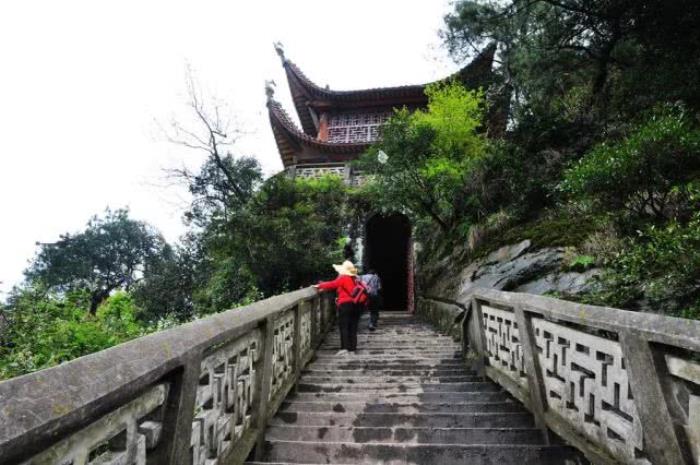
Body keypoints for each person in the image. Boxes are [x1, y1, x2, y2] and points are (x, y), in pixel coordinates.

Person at [314, 260, 363, 356]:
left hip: (346, 305)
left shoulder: (344, 277)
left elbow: (333, 284)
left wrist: (319, 285)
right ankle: (352, 350)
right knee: (353, 327)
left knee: (344, 326)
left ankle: (344, 349)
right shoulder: (355, 279)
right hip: (356, 304)